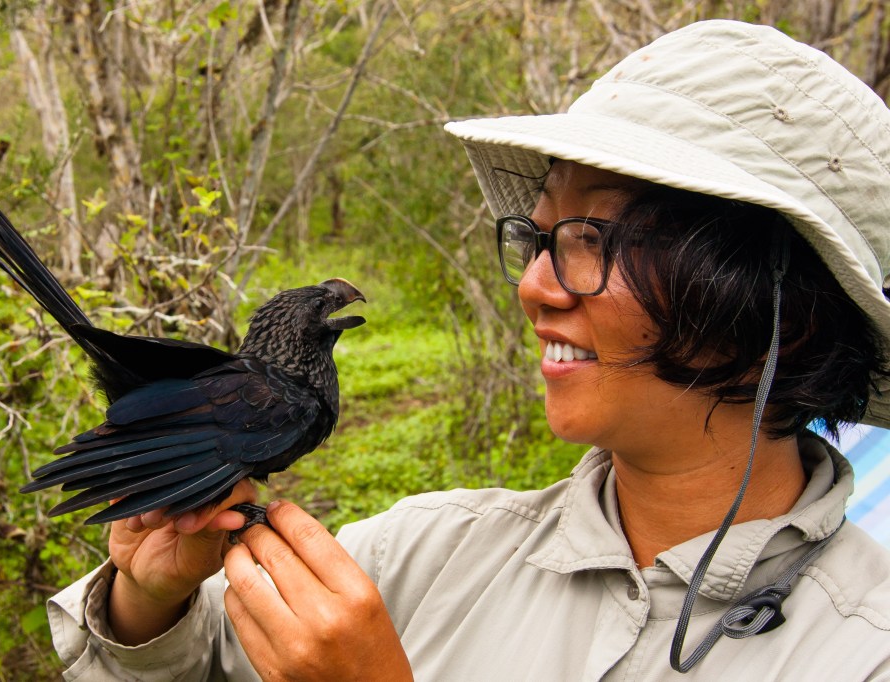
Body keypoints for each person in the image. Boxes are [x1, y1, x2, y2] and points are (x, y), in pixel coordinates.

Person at [46, 20, 890, 680]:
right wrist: (149, 603)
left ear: (790, 315)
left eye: (591, 237)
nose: (533, 284)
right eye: (536, 234)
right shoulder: (418, 554)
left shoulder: (865, 650)